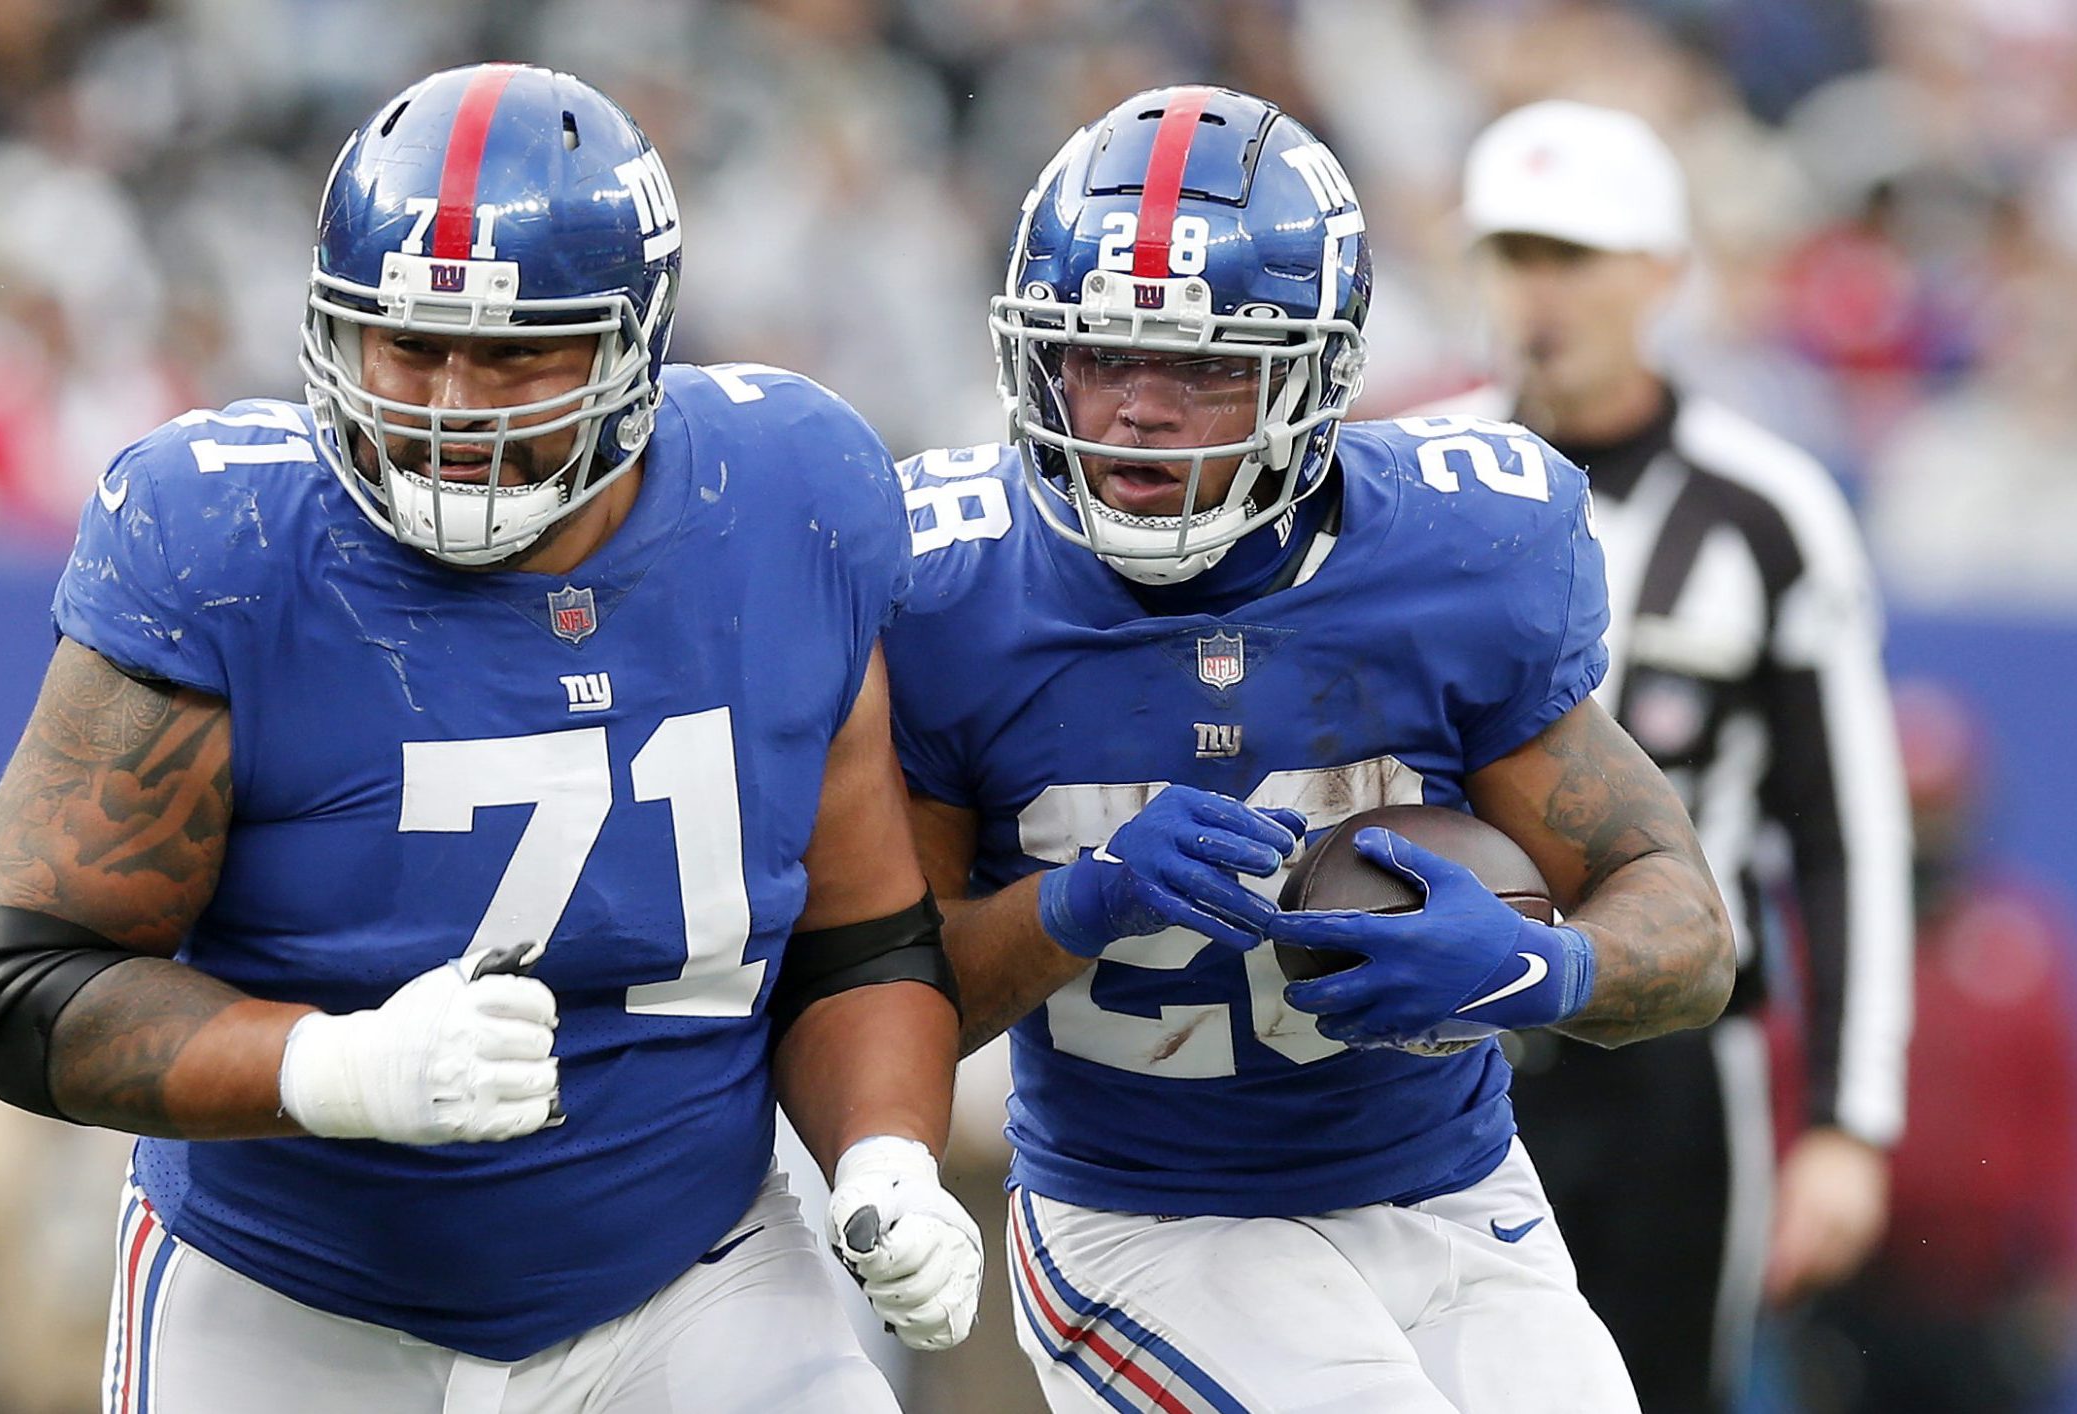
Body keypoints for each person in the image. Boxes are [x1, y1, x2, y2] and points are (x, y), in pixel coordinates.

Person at [0, 63, 981, 1414]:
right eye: (410, 345)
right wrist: (330, 1065)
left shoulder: (785, 497)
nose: (450, 403)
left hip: (687, 1270)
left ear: (631, 350)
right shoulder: (223, 544)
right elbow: (28, 981)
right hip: (290, 1289)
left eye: (512, 353)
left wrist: (886, 1154)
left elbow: (859, 938)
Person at [887, 84, 1736, 1413]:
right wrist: (1075, 898)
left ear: (1317, 373)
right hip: (1151, 1221)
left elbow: (1683, 927)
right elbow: (882, 1001)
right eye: (1098, 354)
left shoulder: (1457, 562)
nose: (1136, 413)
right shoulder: (946, 591)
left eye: (1203, 364)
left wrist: (1539, 963)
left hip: (1450, 1187)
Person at [1424, 100, 1914, 1414]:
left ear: (1657, 271)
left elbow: (1840, 830)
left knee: (1654, 1390)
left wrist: (1848, 1120)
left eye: (1572, 256)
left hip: (1678, 1058)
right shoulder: (1405, 488)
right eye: (1513, 254)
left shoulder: (1766, 509)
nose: (1538, 292)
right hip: (1446, 1025)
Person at [1796, 680, 2077, 1413]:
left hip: (1983, 1301)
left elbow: (2056, 1124)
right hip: (1850, 1292)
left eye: (1938, 812)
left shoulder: (2019, 949)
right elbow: (1778, 1094)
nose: (1924, 837)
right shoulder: (1822, 948)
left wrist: (2060, 1280)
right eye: (1908, 812)